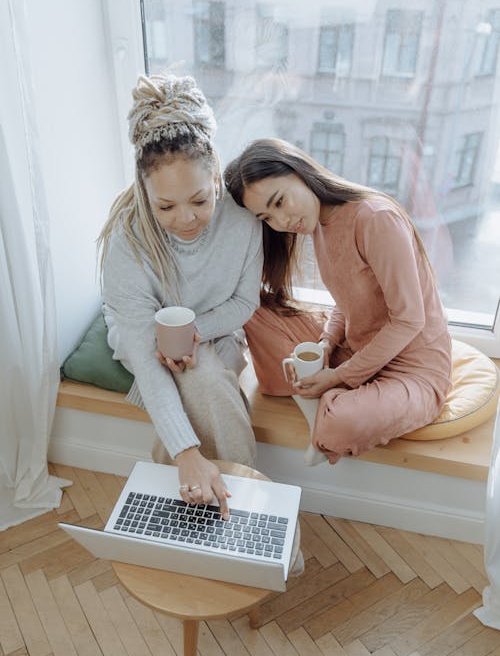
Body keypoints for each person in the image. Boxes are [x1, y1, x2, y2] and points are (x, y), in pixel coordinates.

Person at [224, 138, 452, 466]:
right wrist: (326, 343)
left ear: (299, 171)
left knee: (342, 424)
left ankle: (329, 406)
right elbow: (345, 303)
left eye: (279, 201)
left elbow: (408, 320)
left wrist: (339, 376)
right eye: (266, 217)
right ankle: (327, 399)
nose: (281, 221)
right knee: (254, 309)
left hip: (413, 368)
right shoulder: (318, 225)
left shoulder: (375, 218)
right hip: (357, 349)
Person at [97, 73, 263, 517]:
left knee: (203, 375)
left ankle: (180, 506)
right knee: (202, 380)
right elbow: (143, 350)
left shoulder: (243, 222)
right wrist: (188, 451)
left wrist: (195, 334)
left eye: (199, 200)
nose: (186, 219)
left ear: (214, 175)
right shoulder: (127, 241)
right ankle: (246, 504)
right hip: (142, 335)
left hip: (217, 328)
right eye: (165, 206)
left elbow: (244, 305)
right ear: (144, 191)